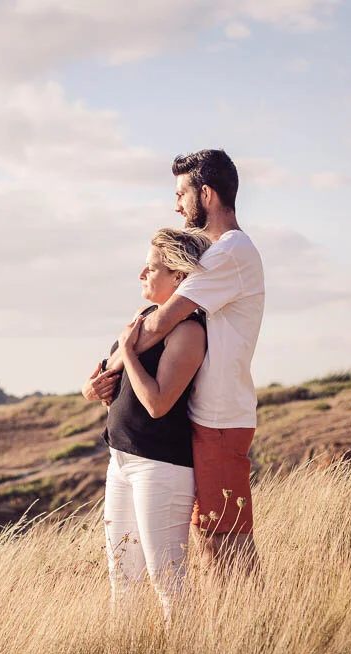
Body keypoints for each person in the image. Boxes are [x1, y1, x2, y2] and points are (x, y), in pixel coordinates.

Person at [111, 149, 265, 575]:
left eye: (182, 193)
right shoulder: (217, 252)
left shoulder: (229, 251)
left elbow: (162, 320)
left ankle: (254, 628)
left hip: (220, 419)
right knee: (210, 536)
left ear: (208, 194)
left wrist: (117, 360)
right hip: (207, 416)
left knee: (224, 541)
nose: (177, 204)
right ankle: (235, 626)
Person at [82, 227, 211, 622]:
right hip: (120, 460)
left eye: (152, 267)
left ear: (179, 277)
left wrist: (129, 353)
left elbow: (156, 403)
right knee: (122, 580)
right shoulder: (144, 319)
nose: (142, 273)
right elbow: (110, 380)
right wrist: (93, 388)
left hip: (161, 467)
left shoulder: (189, 332)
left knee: (168, 585)